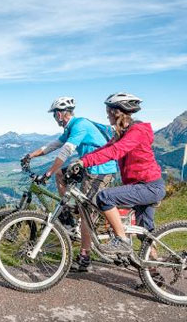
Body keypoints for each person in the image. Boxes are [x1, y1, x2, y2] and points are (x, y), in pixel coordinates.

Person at [22, 96, 118, 272]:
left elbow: (66, 150)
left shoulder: (80, 125)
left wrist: (48, 172)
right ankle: (66, 216)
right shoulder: (71, 127)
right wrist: (31, 155)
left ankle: (84, 258)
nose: (54, 119)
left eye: (54, 115)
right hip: (88, 166)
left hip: (100, 170)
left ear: (59, 114)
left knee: (85, 213)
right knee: (61, 174)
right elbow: (53, 145)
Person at [71, 92, 166, 256]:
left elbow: (116, 151)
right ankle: (154, 275)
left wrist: (84, 162)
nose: (107, 115)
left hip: (148, 186)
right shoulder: (124, 133)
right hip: (142, 186)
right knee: (145, 235)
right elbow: (107, 149)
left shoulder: (137, 131)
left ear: (116, 112)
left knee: (104, 197)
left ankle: (121, 240)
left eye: (108, 112)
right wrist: (83, 161)